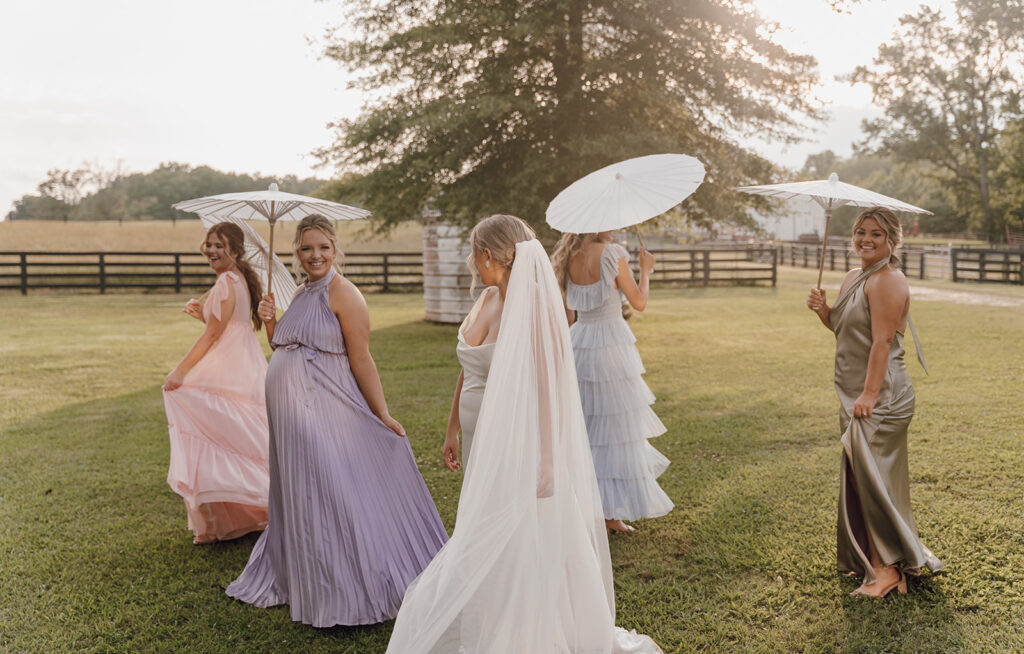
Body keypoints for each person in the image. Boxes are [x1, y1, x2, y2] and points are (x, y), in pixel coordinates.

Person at [388, 215, 662, 654]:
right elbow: (469, 366)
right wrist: (452, 427)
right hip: (480, 437)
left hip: (518, 439)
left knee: (515, 530)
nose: (472, 263)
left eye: (474, 254)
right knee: (487, 524)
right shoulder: (487, 297)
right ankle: (491, 612)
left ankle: (524, 625)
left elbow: (549, 383)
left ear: (488, 254)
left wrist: (548, 458)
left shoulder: (532, 303)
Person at [226, 214, 447, 627]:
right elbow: (282, 344)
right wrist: (270, 317)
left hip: (324, 407)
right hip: (289, 415)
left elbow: (361, 357)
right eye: (307, 248)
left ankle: (346, 581)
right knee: (301, 489)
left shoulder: (344, 293)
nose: (315, 255)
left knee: (328, 488)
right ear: (296, 252)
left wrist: (382, 413)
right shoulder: (301, 291)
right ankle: (305, 576)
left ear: (335, 249)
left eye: (323, 247)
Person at [807, 207, 943, 598]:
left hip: (881, 396)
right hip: (855, 394)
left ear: (892, 241)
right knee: (859, 476)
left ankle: (888, 572)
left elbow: (882, 341)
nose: (865, 239)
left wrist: (868, 394)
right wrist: (823, 311)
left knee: (873, 480)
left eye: (876, 234)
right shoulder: (854, 276)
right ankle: (869, 559)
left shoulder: (888, 280)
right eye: (860, 232)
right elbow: (844, 329)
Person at [550, 231, 674, 533]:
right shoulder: (612, 252)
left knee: (590, 430)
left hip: (580, 342)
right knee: (617, 431)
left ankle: (596, 511)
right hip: (611, 346)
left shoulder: (569, 255)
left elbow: (568, 313)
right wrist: (646, 271)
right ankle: (608, 515)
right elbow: (639, 302)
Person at [162, 222, 270, 544]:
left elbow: (213, 334)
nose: (211, 250)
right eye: (208, 244)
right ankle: (234, 515)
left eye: (219, 246)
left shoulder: (226, 281)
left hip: (227, 364)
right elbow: (228, 325)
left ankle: (250, 502)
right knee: (233, 436)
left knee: (218, 433)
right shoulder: (240, 279)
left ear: (234, 251)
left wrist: (179, 371)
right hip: (240, 361)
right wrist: (202, 314)